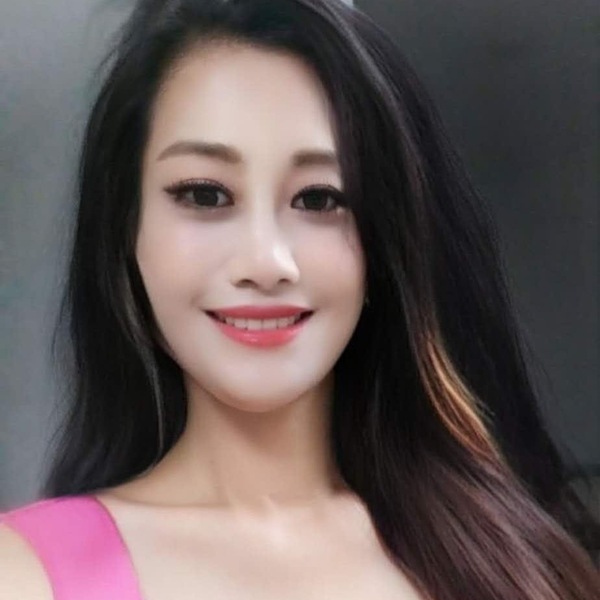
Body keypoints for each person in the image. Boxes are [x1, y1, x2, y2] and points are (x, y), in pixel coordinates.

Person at [1, 0, 598, 598]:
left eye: (319, 199)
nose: (266, 263)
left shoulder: (517, 558)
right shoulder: (25, 573)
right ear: (125, 229)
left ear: (385, 241)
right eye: (205, 194)